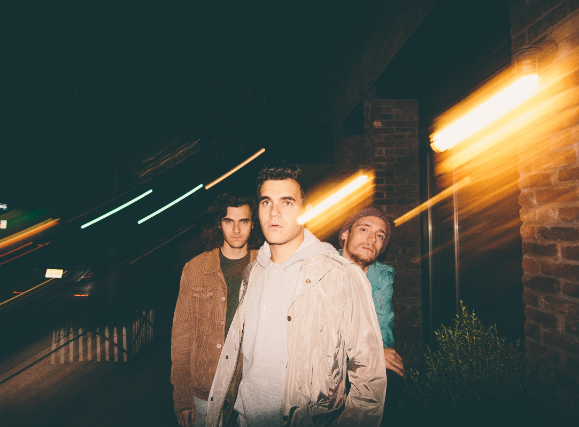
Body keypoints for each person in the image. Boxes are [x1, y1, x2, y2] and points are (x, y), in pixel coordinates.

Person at [207, 163, 386, 427]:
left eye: (287, 202)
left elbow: (369, 379)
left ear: (306, 211)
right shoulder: (252, 272)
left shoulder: (341, 276)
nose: (274, 212)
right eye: (266, 202)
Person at [171, 193, 260, 427]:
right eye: (229, 221)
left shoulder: (266, 267)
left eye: (244, 221)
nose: (236, 230)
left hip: (250, 390)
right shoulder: (195, 268)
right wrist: (182, 395)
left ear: (253, 224)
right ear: (219, 224)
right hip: (205, 390)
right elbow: (181, 336)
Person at [338, 207, 405, 378]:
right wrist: (370, 353)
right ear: (345, 235)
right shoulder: (321, 272)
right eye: (364, 229)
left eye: (380, 235)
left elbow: (382, 331)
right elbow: (320, 342)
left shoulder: (382, 278)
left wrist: (379, 354)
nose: (372, 239)